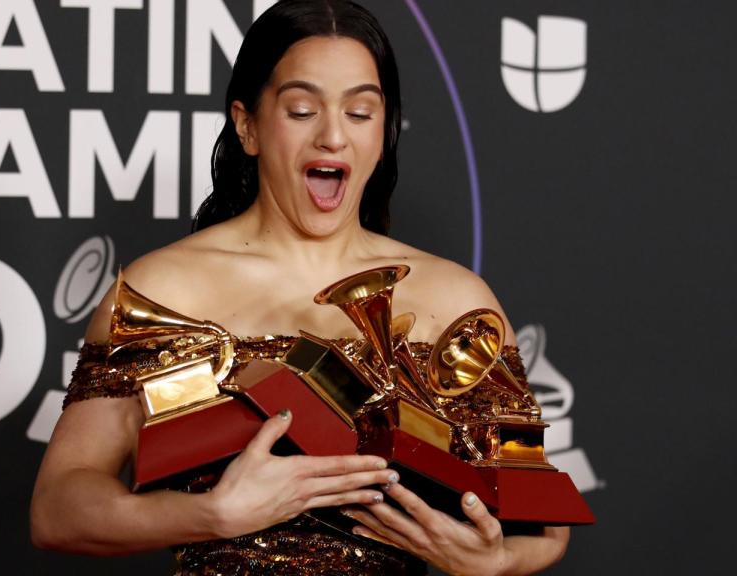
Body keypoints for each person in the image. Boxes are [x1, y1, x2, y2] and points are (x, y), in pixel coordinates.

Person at [30, 1, 569, 574]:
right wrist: (214, 514)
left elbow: (542, 519)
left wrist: (493, 559)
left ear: (384, 132)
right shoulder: (161, 291)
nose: (333, 136)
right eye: (303, 109)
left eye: (360, 113)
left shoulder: (457, 300)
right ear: (247, 125)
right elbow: (58, 509)